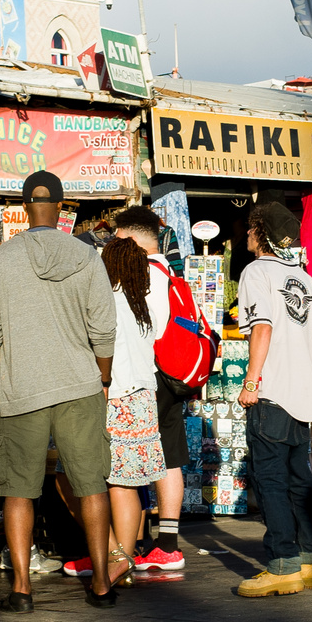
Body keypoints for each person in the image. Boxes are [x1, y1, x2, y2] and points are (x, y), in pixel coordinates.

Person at [0, 171, 122, 613]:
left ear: (23, 207)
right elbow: (104, 326)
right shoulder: (87, 256)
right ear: (61, 208)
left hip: (20, 388)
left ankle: (21, 589)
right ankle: (100, 582)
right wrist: (103, 374)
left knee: (18, 489)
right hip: (80, 383)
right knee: (91, 483)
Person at [57, 236, 169, 576]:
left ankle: (112, 554)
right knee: (126, 484)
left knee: (72, 477)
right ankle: (122, 557)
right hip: (143, 398)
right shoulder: (140, 306)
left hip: (113, 397)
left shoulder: (107, 303)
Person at [235, 202, 312, 596]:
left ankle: (282, 565)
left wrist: (252, 381)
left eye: (250, 229)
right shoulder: (304, 278)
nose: (246, 235)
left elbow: (262, 328)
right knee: (300, 482)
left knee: (270, 481)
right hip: (302, 393)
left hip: (273, 392)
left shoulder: (256, 271)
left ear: (261, 233)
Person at [114, 206, 190, 570]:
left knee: (136, 456)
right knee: (168, 455)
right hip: (175, 375)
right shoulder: (169, 271)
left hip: (151, 374)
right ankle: (167, 543)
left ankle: (138, 541)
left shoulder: (143, 272)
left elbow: (146, 330)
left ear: (128, 238)